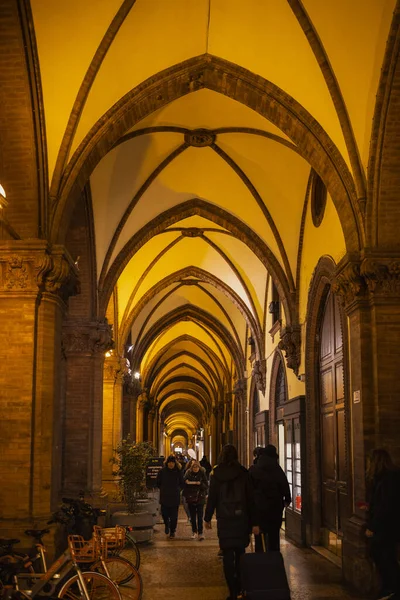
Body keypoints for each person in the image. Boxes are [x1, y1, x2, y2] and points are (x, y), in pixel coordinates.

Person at [204, 444, 259, 600]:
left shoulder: (216, 474)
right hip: (241, 519)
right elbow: (251, 500)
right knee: (241, 553)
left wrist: (207, 518)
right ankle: (241, 588)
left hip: (225, 520)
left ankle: (232, 592)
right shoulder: (243, 473)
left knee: (228, 556)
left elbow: (212, 498)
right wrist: (255, 523)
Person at [365, 448, 400, 600]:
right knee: (384, 556)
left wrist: (372, 527)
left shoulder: (387, 480)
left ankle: (392, 588)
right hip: (388, 527)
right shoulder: (385, 478)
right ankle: (390, 588)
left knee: (384, 556)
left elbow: (385, 506)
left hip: (387, 528)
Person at [249, 444, 291, 552]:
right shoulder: (277, 469)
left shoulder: (254, 469)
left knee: (259, 535)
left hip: (259, 508)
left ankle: (260, 558)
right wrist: (287, 500)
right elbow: (284, 485)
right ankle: (274, 558)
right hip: (275, 507)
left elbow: (248, 489)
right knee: (274, 535)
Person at [156, 455, 184, 539]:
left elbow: (182, 483)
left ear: (175, 463)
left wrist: (178, 489)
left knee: (174, 516)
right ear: (167, 463)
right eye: (170, 463)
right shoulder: (162, 471)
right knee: (164, 514)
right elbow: (158, 482)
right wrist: (163, 488)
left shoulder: (178, 471)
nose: (171, 464)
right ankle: (166, 525)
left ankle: (172, 531)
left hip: (174, 496)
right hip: (165, 496)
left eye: (172, 463)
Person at [184, 460, 209, 540]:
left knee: (200, 516)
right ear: (192, 467)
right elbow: (183, 483)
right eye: (194, 467)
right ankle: (194, 531)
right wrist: (186, 482)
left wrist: (200, 484)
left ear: (199, 467)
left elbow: (206, 485)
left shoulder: (202, 474)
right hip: (191, 497)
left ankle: (200, 532)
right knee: (193, 516)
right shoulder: (188, 473)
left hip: (200, 497)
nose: (195, 468)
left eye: (197, 467)